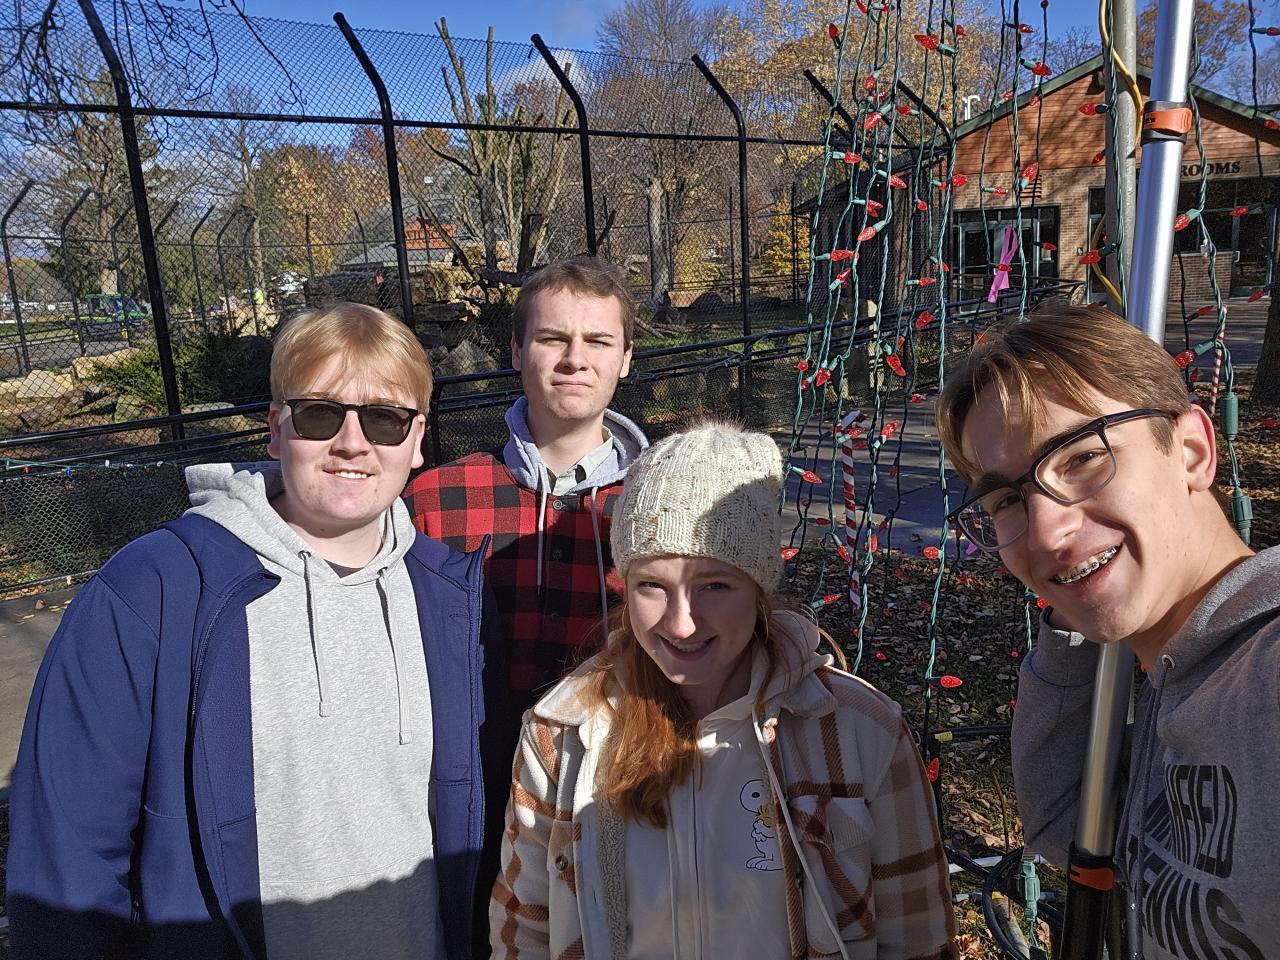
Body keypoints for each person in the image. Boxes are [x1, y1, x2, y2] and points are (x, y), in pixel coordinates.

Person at [7, 303, 506, 960]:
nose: (352, 442)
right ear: (276, 429)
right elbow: (67, 864)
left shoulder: (451, 599)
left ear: (417, 440)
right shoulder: (154, 591)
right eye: (320, 414)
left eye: (384, 419)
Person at [490, 422, 957, 959]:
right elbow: (523, 931)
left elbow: (917, 937)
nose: (681, 623)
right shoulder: (563, 735)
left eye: (714, 585)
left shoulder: (860, 730)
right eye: (651, 586)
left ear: (758, 589)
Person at [936, 303, 1277, 957]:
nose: (1045, 532)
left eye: (1083, 458)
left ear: (1193, 451)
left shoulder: (1263, 673)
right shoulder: (1171, 673)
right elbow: (1064, 825)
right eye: (1007, 500)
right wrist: (1077, 604)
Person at [405, 255, 648, 724]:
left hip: (626, 759)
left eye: (598, 341)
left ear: (625, 358)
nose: (575, 359)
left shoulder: (663, 506)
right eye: (552, 338)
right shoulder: (434, 501)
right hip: (477, 761)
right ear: (516, 351)